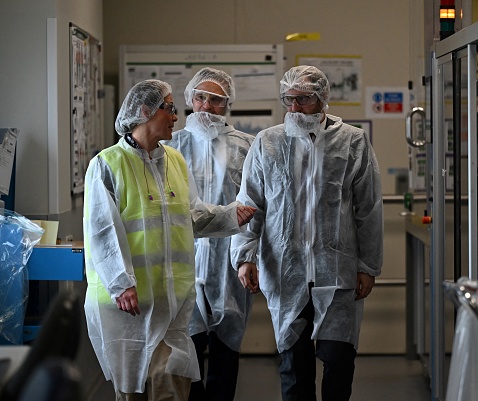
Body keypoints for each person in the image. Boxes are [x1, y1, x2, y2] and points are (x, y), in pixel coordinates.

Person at [83, 79, 255, 401]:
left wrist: (231, 215)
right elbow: (101, 231)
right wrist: (121, 283)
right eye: (170, 109)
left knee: (172, 388)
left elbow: (191, 216)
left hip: (172, 304)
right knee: (132, 390)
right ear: (146, 111)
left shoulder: (174, 160)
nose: (177, 117)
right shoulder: (107, 164)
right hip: (129, 306)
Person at [230, 65, 384, 401]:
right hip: (286, 271)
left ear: (322, 99)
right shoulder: (267, 142)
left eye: (304, 100)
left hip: (337, 271)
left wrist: (368, 266)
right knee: (293, 366)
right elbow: (249, 203)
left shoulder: (352, 141)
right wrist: (244, 256)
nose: (295, 108)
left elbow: (369, 208)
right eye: (289, 100)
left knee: (339, 361)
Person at [163, 67, 255, 401]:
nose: (206, 106)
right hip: (180, 259)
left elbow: (255, 206)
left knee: (226, 351)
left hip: (227, 263)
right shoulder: (168, 145)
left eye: (215, 100)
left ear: (227, 104)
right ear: (189, 100)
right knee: (185, 351)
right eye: (200, 97)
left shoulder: (247, 146)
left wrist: (247, 257)